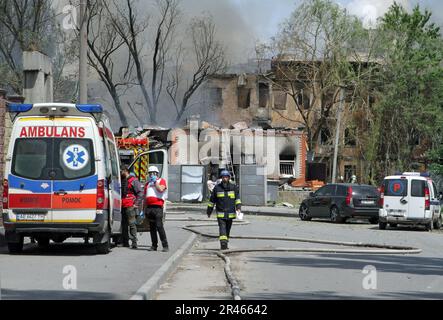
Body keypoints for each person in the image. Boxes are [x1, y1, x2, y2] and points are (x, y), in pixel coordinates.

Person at [206, 170, 242, 250]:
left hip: (231, 213)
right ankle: (223, 243)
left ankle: (226, 241)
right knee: (222, 228)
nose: (225, 178)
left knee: (228, 229)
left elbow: (237, 199)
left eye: (226, 177)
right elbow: (212, 201)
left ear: (229, 178)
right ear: (221, 178)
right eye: (223, 177)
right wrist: (209, 211)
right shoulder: (217, 188)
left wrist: (238, 208)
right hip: (221, 213)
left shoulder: (234, 187)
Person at [144, 166, 169, 252]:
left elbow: (161, 189)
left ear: (157, 173)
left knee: (159, 226)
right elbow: (145, 197)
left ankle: (165, 245)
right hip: (149, 208)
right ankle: (154, 245)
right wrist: (143, 209)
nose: (151, 175)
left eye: (153, 173)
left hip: (157, 207)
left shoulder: (161, 181)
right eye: (150, 173)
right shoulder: (147, 184)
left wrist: (155, 182)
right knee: (152, 227)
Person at [121, 165, 144, 249]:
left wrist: (136, 203)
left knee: (132, 224)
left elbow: (140, 193)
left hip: (130, 205)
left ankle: (134, 243)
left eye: (122, 171)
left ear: (125, 171)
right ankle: (125, 242)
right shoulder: (122, 180)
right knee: (123, 224)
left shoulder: (134, 180)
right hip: (122, 205)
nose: (120, 172)